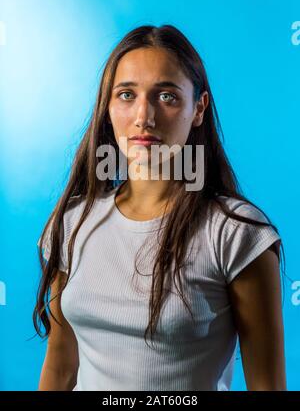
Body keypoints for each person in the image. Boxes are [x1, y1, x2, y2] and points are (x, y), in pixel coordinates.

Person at [34, 24, 287, 391]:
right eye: (126, 95)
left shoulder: (236, 235)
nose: (143, 117)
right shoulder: (72, 223)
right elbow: (58, 369)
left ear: (198, 109)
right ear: (107, 106)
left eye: (166, 96)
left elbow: (267, 386)